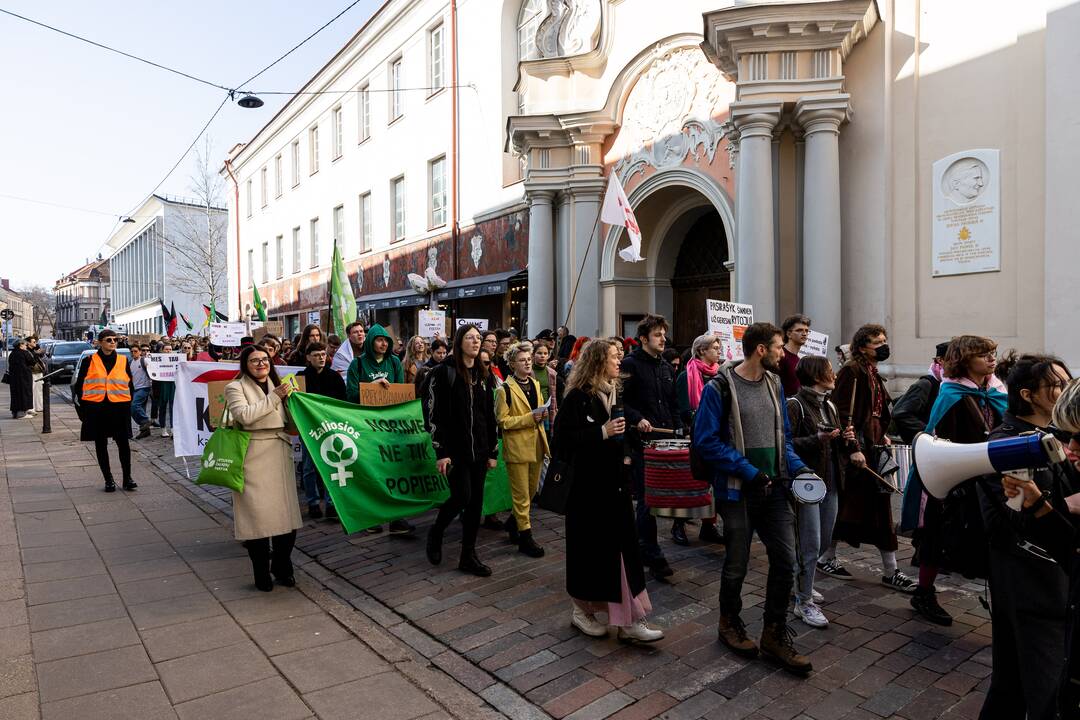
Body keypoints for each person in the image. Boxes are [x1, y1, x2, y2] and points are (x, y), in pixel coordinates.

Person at [692, 322, 813, 674]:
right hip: (737, 490)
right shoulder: (720, 388)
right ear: (761, 349)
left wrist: (800, 469)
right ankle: (729, 622)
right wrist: (748, 472)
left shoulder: (775, 384)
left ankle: (774, 634)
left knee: (786, 561)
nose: (783, 353)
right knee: (737, 562)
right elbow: (706, 442)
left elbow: (782, 439)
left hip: (774, 488)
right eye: (778, 347)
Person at [976, 353, 1077, 720]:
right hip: (1029, 584)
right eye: (1057, 385)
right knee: (1044, 687)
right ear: (1028, 394)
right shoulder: (1005, 444)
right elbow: (1003, 522)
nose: (1065, 391)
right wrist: (1062, 506)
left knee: (1012, 685)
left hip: (1049, 581)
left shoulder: (1054, 434)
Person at [556, 338, 664, 643]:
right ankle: (583, 610)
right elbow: (562, 442)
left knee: (623, 551)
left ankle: (629, 619)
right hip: (587, 493)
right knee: (590, 554)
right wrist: (600, 433)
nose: (620, 361)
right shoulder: (577, 397)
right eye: (614, 357)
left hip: (615, 488)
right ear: (597, 361)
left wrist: (627, 446)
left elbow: (619, 434)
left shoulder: (614, 393)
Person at [901, 335, 1004, 626]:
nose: (991, 358)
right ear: (964, 360)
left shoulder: (996, 390)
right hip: (955, 480)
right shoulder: (951, 393)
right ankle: (924, 593)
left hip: (987, 477)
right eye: (983, 354)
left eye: (992, 353)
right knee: (936, 539)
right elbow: (940, 440)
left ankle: (1004, 604)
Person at [823, 324, 917, 595]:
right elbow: (843, 414)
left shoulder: (872, 372)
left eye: (884, 340)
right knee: (855, 505)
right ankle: (829, 558)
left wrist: (883, 435)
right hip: (859, 451)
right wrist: (852, 447)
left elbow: (875, 413)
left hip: (874, 447)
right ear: (863, 346)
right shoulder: (852, 372)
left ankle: (888, 570)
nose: (883, 345)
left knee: (874, 505)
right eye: (877, 341)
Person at [224, 345, 303, 592]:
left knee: (287, 518)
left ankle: (281, 565)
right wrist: (276, 396)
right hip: (252, 454)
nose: (261, 364)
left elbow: (291, 422)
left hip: (279, 450)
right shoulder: (235, 387)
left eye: (265, 359)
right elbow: (245, 416)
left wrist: (294, 405)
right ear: (245, 364)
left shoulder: (280, 384)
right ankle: (261, 572)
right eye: (255, 360)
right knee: (257, 520)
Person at [786, 355, 856, 629]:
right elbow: (787, 444)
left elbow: (838, 444)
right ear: (816, 376)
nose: (835, 374)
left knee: (824, 540)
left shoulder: (829, 405)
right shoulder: (795, 405)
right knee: (810, 542)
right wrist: (817, 439)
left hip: (830, 481)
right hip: (807, 484)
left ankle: (803, 582)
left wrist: (848, 440)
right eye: (829, 371)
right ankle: (803, 602)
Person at [425, 324, 499, 576]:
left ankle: (468, 555)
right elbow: (433, 416)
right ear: (459, 342)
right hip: (455, 451)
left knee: (476, 502)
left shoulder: (484, 374)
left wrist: (492, 451)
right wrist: (441, 451)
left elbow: (489, 415)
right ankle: (436, 531)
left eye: (479, 338)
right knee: (462, 497)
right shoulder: (442, 372)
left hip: (479, 450)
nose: (476, 342)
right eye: (470, 338)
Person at [621, 315, 680, 581]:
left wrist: (680, 428)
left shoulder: (667, 367)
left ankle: (643, 544)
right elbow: (620, 402)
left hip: (666, 441)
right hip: (641, 443)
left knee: (659, 497)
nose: (663, 338)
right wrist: (637, 419)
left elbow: (672, 404)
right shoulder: (629, 364)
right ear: (644, 338)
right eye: (657, 334)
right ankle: (652, 552)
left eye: (664, 334)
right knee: (647, 499)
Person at [346, 324, 412, 535]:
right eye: (379, 340)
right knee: (371, 472)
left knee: (392, 471)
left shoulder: (394, 362)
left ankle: (396, 517)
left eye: (386, 340)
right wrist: (374, 385)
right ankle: (371, 516)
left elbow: (400, 391)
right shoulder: (357, 364)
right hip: (366, 426)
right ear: (371, 341)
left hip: (390, 426)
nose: (383, 344)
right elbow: (351, 394)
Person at [495, 342, 549, 557]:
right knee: (522, 496)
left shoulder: (535, 384)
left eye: (529, 359)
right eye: (523, 360)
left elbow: (539, 408)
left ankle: (512, 523)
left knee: (532, 490)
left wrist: (542, 414)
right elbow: (502, 421)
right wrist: (530, 418)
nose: (528, 362)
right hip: (517, 447)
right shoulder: (504, 390)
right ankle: (525, 538)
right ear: (512, 364)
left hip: (537, 443)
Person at [672, 333, 725, 546]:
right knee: (691, 483)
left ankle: (708, 525)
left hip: (717, 436)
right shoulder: (687, 375)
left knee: (711, 484)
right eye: (715, 347)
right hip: (696, 435)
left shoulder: (719, 374)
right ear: (702, 350)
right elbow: (685, 409)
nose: (719, 351)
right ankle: (679, 523)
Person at [72, 330, 136, 491]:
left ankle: (127, 478)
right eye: (109, 340)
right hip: (97, 408)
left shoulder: (123, 360)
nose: (113, 342)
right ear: (100, 342)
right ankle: (108, 480)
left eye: (116, 340)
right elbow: (80, 386)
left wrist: (128, 403)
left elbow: (130, 385)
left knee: (124, 444)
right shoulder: (89, 360)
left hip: (119, 407)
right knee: (101, 444)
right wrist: (86, 408)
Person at [299, 341, 346, 520]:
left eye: (323, 355)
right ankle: (313, 503)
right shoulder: (300, 377)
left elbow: (342, 401)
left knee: (331, 464)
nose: (321, 358)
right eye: (317, 355)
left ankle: (331, 503)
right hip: (308, 428)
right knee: (309, 467)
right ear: (308, 357)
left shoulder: (334, 377)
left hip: (330, 427)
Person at [891, 341, 952, 444]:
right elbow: (901, 413)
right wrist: (930, 434)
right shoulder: (926, 384)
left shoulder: (951, 384)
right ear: (940, 360)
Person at [778, 315, 811, 397]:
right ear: (789, 334)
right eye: (799, 330)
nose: (804, 334)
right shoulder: (780, 356)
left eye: (807, 331)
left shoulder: (799, 360)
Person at [129, 344, 153, 439]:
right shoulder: (130, 363)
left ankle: (145, 420)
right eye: (132, 351)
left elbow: (152, 369)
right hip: (135, 388)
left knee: (134, 406)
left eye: (135, 351)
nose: (133, 353)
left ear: (139, 352)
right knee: (139, 409)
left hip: (144, 387)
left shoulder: (144, 360)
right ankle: (145, 430)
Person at [7, 339, 34, 419]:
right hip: (24, 378)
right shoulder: (24, 353)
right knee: (24, 394)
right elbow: (32, 361)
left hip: (14, 378)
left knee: (15, 395)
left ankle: (15, 413)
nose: (26, 346)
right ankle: (22, 413)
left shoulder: (12, 354)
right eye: (25, 345)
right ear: (21, 345)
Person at [157, 342, 176, 437]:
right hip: (162, 385)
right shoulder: (157, 360)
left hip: (172, 385)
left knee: (173, 407)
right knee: (163, 407)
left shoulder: (176, 360)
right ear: (162, 350)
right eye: (166, 349)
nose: (168, 351)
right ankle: (163, 428)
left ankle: (173, 428)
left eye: (170, 349)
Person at [26, 335, 45, 416]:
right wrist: (37, 353)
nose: (35, 343)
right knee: (32, 391)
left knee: (39, 390)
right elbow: (31, 360)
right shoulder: (27, 351)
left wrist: (39, 352)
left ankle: (39, 406)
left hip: (38, 372)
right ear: (29, 343)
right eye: (33, 342)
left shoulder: (34, 349)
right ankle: (31, 408)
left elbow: (41, 356)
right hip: (32, 373)